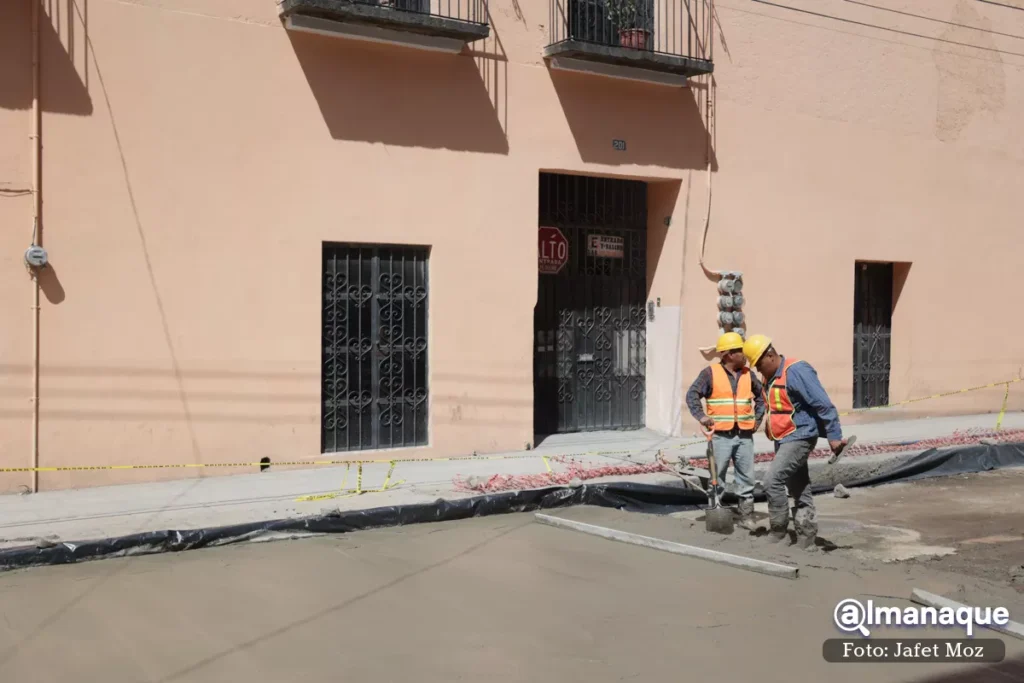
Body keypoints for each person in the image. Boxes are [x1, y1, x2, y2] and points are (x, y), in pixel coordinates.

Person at [742, 334, 848, 549]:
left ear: (770, 355)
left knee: (772, 481)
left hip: (800, 436)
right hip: (783, 437)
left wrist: (834, 436)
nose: (757, 370)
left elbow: (823, 404)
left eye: (758, 364)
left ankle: (778, 530)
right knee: (799, 487)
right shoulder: (769, 376)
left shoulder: (797, 371)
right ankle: (806, 536)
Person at [686, 332, 765, 531]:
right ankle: (716, 510)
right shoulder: (710, 373)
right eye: (740, 351)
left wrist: (757, 419)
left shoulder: (749, 374)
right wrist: (702, 417)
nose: (744, 355)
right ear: (729, 354)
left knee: (746, 477)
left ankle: (746, 516)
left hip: (744, 435)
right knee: (716, 477)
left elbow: (761, 397)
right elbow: (692, 395)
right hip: (720, 436)